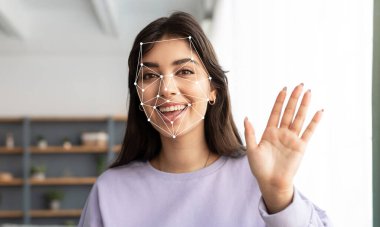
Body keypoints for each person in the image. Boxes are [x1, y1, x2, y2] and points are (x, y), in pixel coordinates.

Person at [78, 12, 332, 227]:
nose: (166, 89)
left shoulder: (259, 177)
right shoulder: (110, 192)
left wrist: (279, 195)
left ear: (214, 90)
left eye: (185, 71)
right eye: (149, 76)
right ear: (138, 96)